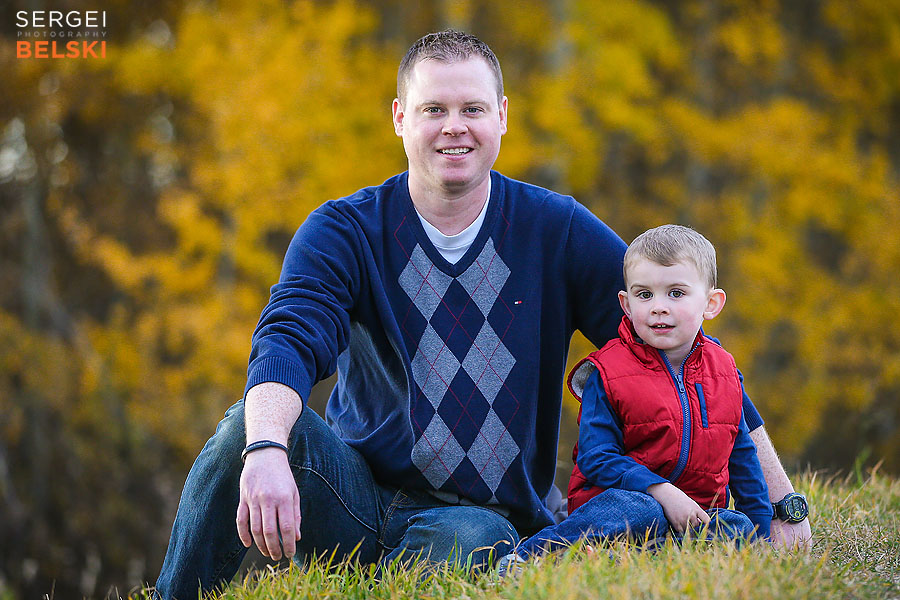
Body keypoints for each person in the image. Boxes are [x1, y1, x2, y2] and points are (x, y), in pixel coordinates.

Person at [154, 30, 810, 600]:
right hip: (353, 494)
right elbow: (288, 340)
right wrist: (267, 449)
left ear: (501, 116)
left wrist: (782, 503)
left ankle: (389, 580)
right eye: (433, 108)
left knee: (471, 540)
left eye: (472, 108)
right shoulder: (345, 229)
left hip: (481, 514)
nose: (454, 126)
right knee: (246, 425)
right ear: (399, 117)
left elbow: (689, 357)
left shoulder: (554, 230)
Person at [498, 225, 775, 573]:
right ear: (626, 305)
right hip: (620, 506)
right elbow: (596, 458)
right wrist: (661, 491)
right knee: (641, 510)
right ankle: (533, 557)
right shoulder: (608, 371)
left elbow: (742, 458)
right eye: (645, 295)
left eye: (675, 293)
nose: (658, 307)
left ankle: (637, 562)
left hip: (693, 517)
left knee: (737, 529)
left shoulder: (724, 370)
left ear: (711, 303)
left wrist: (763, 538)